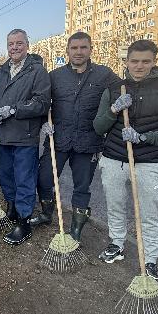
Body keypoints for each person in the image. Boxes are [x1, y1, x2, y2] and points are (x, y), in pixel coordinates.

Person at [93, 39, 158, 284]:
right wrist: (113, 110)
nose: (139, 66)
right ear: (126, 62)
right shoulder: (114, 89)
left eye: (145, 61)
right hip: (114, 159)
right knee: (115, 206)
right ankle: (116, 244)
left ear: (154, 62)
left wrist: (144, 137)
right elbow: (98, 126)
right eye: (134, 61)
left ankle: (151, 259)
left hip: (148, 162)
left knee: (149, 213)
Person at [29, 32, 119, 241]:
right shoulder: (55, 76)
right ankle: (46, 213)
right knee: (44, 178)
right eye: (74, 48)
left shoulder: (104, 75)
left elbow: (126, 88)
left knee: (82, 186)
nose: (79, 52)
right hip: (58, 139)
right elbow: (41, 101)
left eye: (83, 47)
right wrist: (44, 123)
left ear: (91, 50)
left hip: (88, 142)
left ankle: (76, 229)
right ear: (67, 51)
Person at [0, 29, 50, 245]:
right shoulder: (0, 72)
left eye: (19, 43)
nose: (14, 47)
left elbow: (42, 103)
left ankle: (24, 222)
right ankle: (12, 209)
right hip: (2, 135)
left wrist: (14, 109)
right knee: (6, 177)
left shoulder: (37, 71)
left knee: (24, 179)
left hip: (25, 136)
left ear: (27, 45)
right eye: (11, 44)